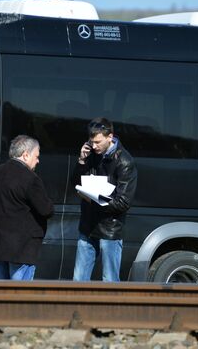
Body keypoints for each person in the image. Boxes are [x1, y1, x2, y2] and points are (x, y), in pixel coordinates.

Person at [73, 117, 137, 282]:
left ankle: (111, 309)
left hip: (110, 229)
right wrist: (81, 160)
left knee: (109, 280)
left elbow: (123, 202)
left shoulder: (125, 161)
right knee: (79, 280)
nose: (94, 146)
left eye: (98, 142)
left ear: (110, 137)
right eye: (91, 142)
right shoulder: (91, 154)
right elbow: (76, 182)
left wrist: (95, 200)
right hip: (88, 225)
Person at [0, 135, 54, 280]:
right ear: (26, 155)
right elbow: (46, 210)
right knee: (19, 295)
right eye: (36, 156)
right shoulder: (30, 178)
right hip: (23, 247)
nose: (38, 161)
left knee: (1, 295)